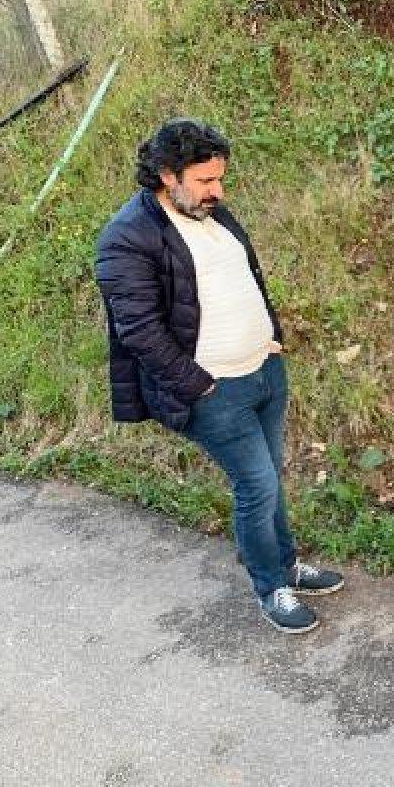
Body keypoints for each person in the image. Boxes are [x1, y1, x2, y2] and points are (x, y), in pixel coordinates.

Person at [94, 118, 342, 634]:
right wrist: (198, 387)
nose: (218, 191)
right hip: (215, 391)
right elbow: (139, 332)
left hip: (265, 373)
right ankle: (270, 584)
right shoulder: (128, 238)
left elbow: (248, 277)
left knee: (271, 478)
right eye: (206, 181)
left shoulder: (215, 215)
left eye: (220, 179)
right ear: (168, 175)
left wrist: (272, 337)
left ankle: (288, 564)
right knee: (255, 484)